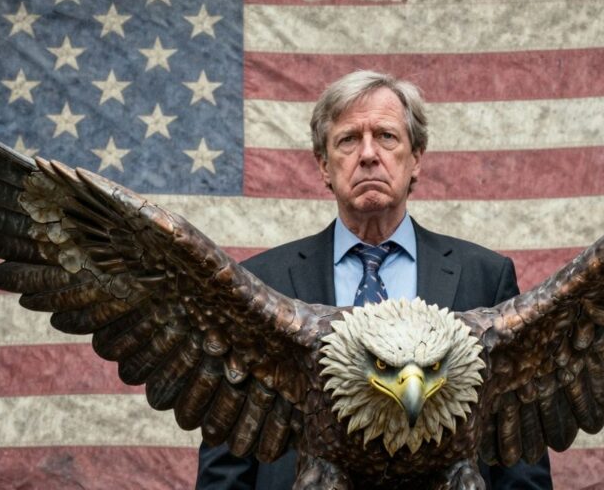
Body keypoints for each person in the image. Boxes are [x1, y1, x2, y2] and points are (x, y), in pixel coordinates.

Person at [196, 71, 553, 489]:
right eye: (348, 139)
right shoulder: (261, 283)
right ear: (324, 165)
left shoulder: (485, 277)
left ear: (416, 158)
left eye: (386, 137)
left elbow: (519, 459)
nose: (368, 154)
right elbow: (227, 463)